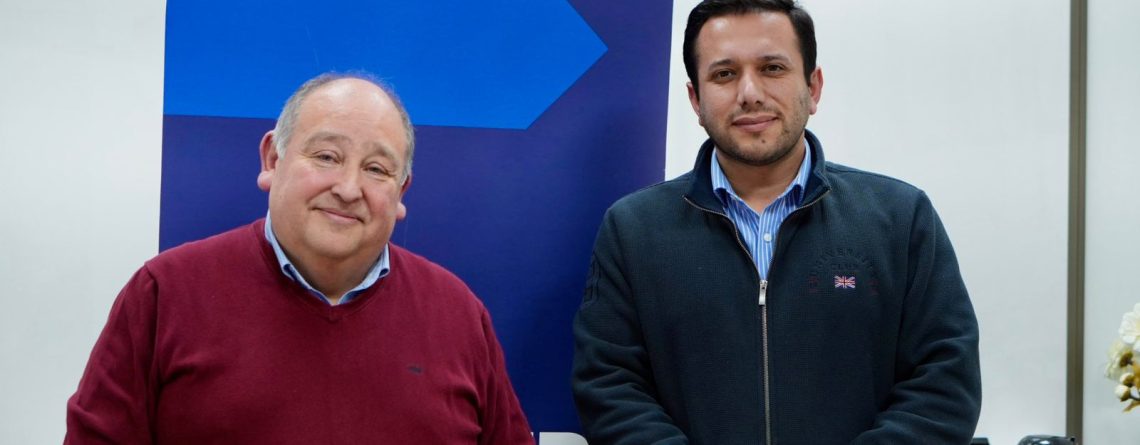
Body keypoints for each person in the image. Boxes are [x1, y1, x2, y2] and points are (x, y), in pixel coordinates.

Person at [571, 1, 982, 444]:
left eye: (772, 68)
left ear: (813, 87)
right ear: (696, 99)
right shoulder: (634, 230)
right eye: (724, 74)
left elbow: (943, 384)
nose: (750, 92)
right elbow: (611, 387)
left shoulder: (900, 218)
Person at [67, 73, 534, 444]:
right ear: (272, 159)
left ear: (401, 192)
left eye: (376, 169)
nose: (348, 188)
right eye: (327, 156)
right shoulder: (165, 294)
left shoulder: (457, 314)